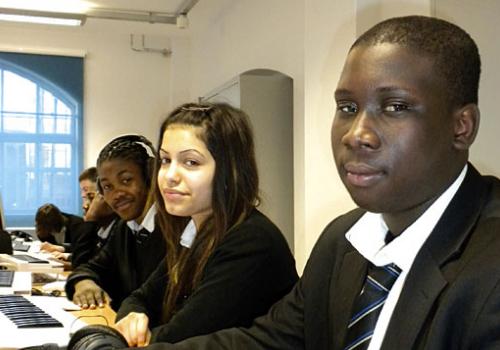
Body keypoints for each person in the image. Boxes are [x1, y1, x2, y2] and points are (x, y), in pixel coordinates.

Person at [138, 16, 500, 350]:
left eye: (395, 107)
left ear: (461, 127)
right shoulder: (343, 239)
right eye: (347, 107)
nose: (357, 134)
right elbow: (271, 341)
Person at [112, 103, 298, 347]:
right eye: (165, 160)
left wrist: (132, 335)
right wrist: (132, 317)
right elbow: (140, 297)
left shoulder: (251, 241)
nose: (169, 175)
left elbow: (181, 338)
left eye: (190, 162)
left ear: (229, 170)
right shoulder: (192, 230)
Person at [65, 135, 166, 311]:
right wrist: (83, 282)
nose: (116, 194)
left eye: (126, 180)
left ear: (150, 177)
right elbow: (90, 267)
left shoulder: (171, 230)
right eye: (107, 187)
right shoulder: (126, 229)